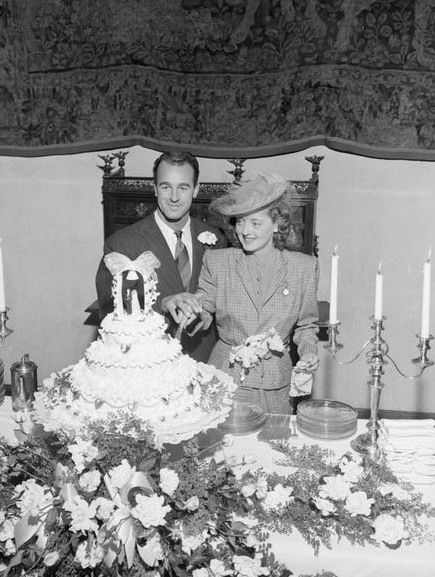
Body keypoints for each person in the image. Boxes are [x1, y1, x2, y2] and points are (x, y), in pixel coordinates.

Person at [161, 173, 319, 415]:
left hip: (276, 382)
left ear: (277, 224)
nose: (245, 231)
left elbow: (306, 326)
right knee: (223, 449)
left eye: (256, 223)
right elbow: (204, 308)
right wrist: (190, 312)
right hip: (227, 375)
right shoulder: (217, 261)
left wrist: (308, 353)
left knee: (273, 446)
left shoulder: (304, 267)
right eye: (240, 222)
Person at [95, 151, 226, 362]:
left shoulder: (215, 238)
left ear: (196, 190)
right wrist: (160, 304)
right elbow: (109, 310)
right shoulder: (122, 244)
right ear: (155, 189)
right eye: (166, 187)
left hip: (204, 360)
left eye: (183, 187)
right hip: (148, 364)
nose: (174, 197)